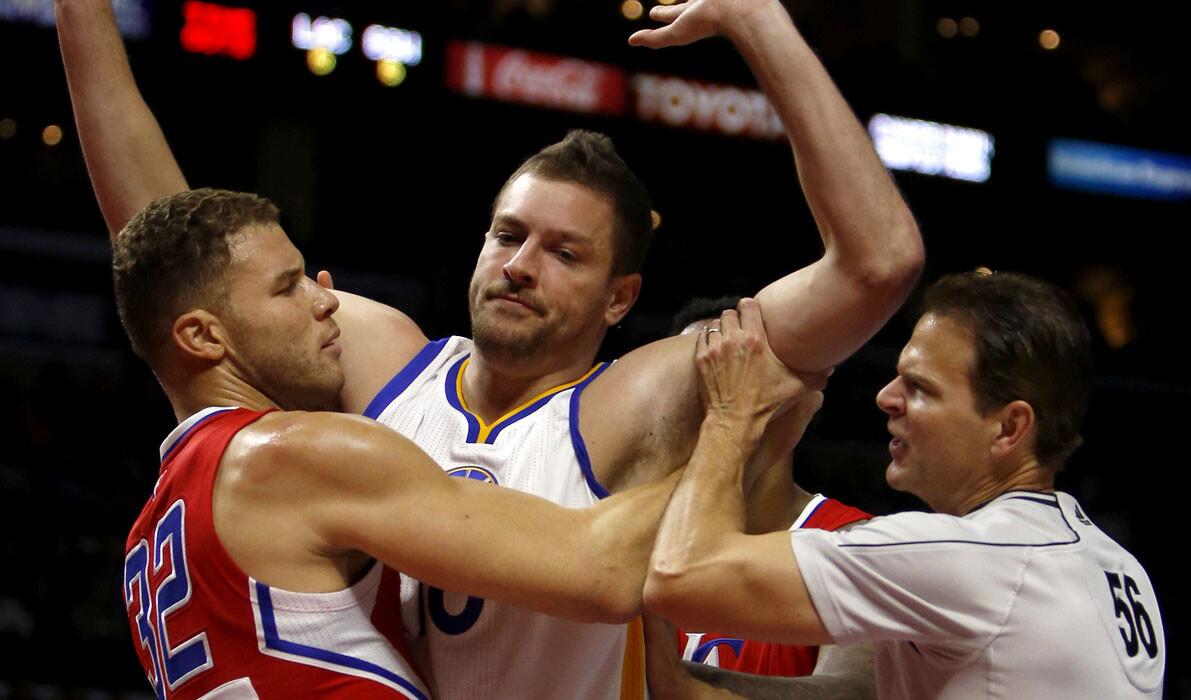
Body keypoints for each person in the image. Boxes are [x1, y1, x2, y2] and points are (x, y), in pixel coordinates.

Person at [57, 0, 924, 695]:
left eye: (564, 252)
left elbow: (878, 263)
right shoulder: (385, 361)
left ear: (622, 298)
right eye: (506, 236)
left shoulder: (642, 394)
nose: (520, 267)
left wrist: (762, 23)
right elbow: (173, 260)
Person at [115, 188, 691, 698]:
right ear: (202, 335)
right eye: (288, 287)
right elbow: (606, 572)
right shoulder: (292, 454)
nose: (325, 300)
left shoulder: (149, 536)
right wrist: (724, 435)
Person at [644, 276, 1167, 698]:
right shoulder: (1123, 570)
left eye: (919, 388)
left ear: (1008, 428)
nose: (885, 397)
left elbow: (681, 574)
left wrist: (732, 413)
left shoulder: (964, 557)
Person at [644, 297, 875, 698]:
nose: (716, 396)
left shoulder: (855, 544)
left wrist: (672, 680)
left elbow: (855, 692)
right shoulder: (627, 532)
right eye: (692, 382)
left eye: (734, 375)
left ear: (799, 401)